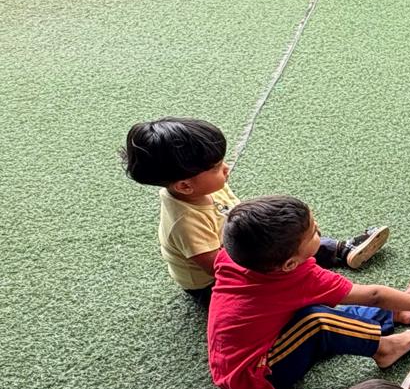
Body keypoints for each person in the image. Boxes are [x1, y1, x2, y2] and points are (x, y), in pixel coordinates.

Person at [206, 195, 410, 389]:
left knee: (312, 309)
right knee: (316, 322)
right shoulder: (298, 278)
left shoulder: (231, 257)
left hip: (258, 345)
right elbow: (373, 295)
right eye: (313, 234)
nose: (318, 228)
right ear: (289, 264)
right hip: (254, 378)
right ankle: (383, 349)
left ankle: (393, 313)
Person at [122, 118, 389, 307]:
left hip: (243, 248)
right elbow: (220, 268)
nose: (226, 168)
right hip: (212, 283)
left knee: (291, 238)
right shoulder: (184, 221)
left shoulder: (206, 188)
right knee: (282, 278)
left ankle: (343, 250)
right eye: (216, 167)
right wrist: (273, 270)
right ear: (184, 185)